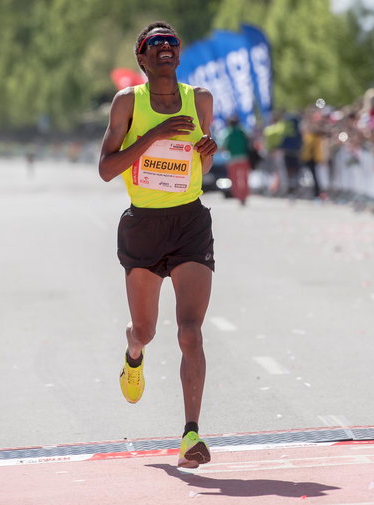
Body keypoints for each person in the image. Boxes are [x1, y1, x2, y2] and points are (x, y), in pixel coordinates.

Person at [97, 21, 218, 469]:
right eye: (155, 43)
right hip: (143, 225)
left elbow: (202, 161)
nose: (164, 47)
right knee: (146, 330)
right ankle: (133, 352)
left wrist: (207, 150)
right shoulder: (128, 102)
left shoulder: (199, 99)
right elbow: (107, 169)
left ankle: (191, 435)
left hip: (189, 220)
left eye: (171, 42)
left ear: (179, 55)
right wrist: (151, 137)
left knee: (190, 331)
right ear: (142, 58)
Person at [221, 116, 251, 205]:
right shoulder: (243, 131)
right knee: (244, 178)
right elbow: (249, 142)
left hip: (232, 159)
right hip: (244, 157)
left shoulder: (227, 132)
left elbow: (223, 146)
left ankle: (239, 196)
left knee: (234, 179)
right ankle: (245, 195)